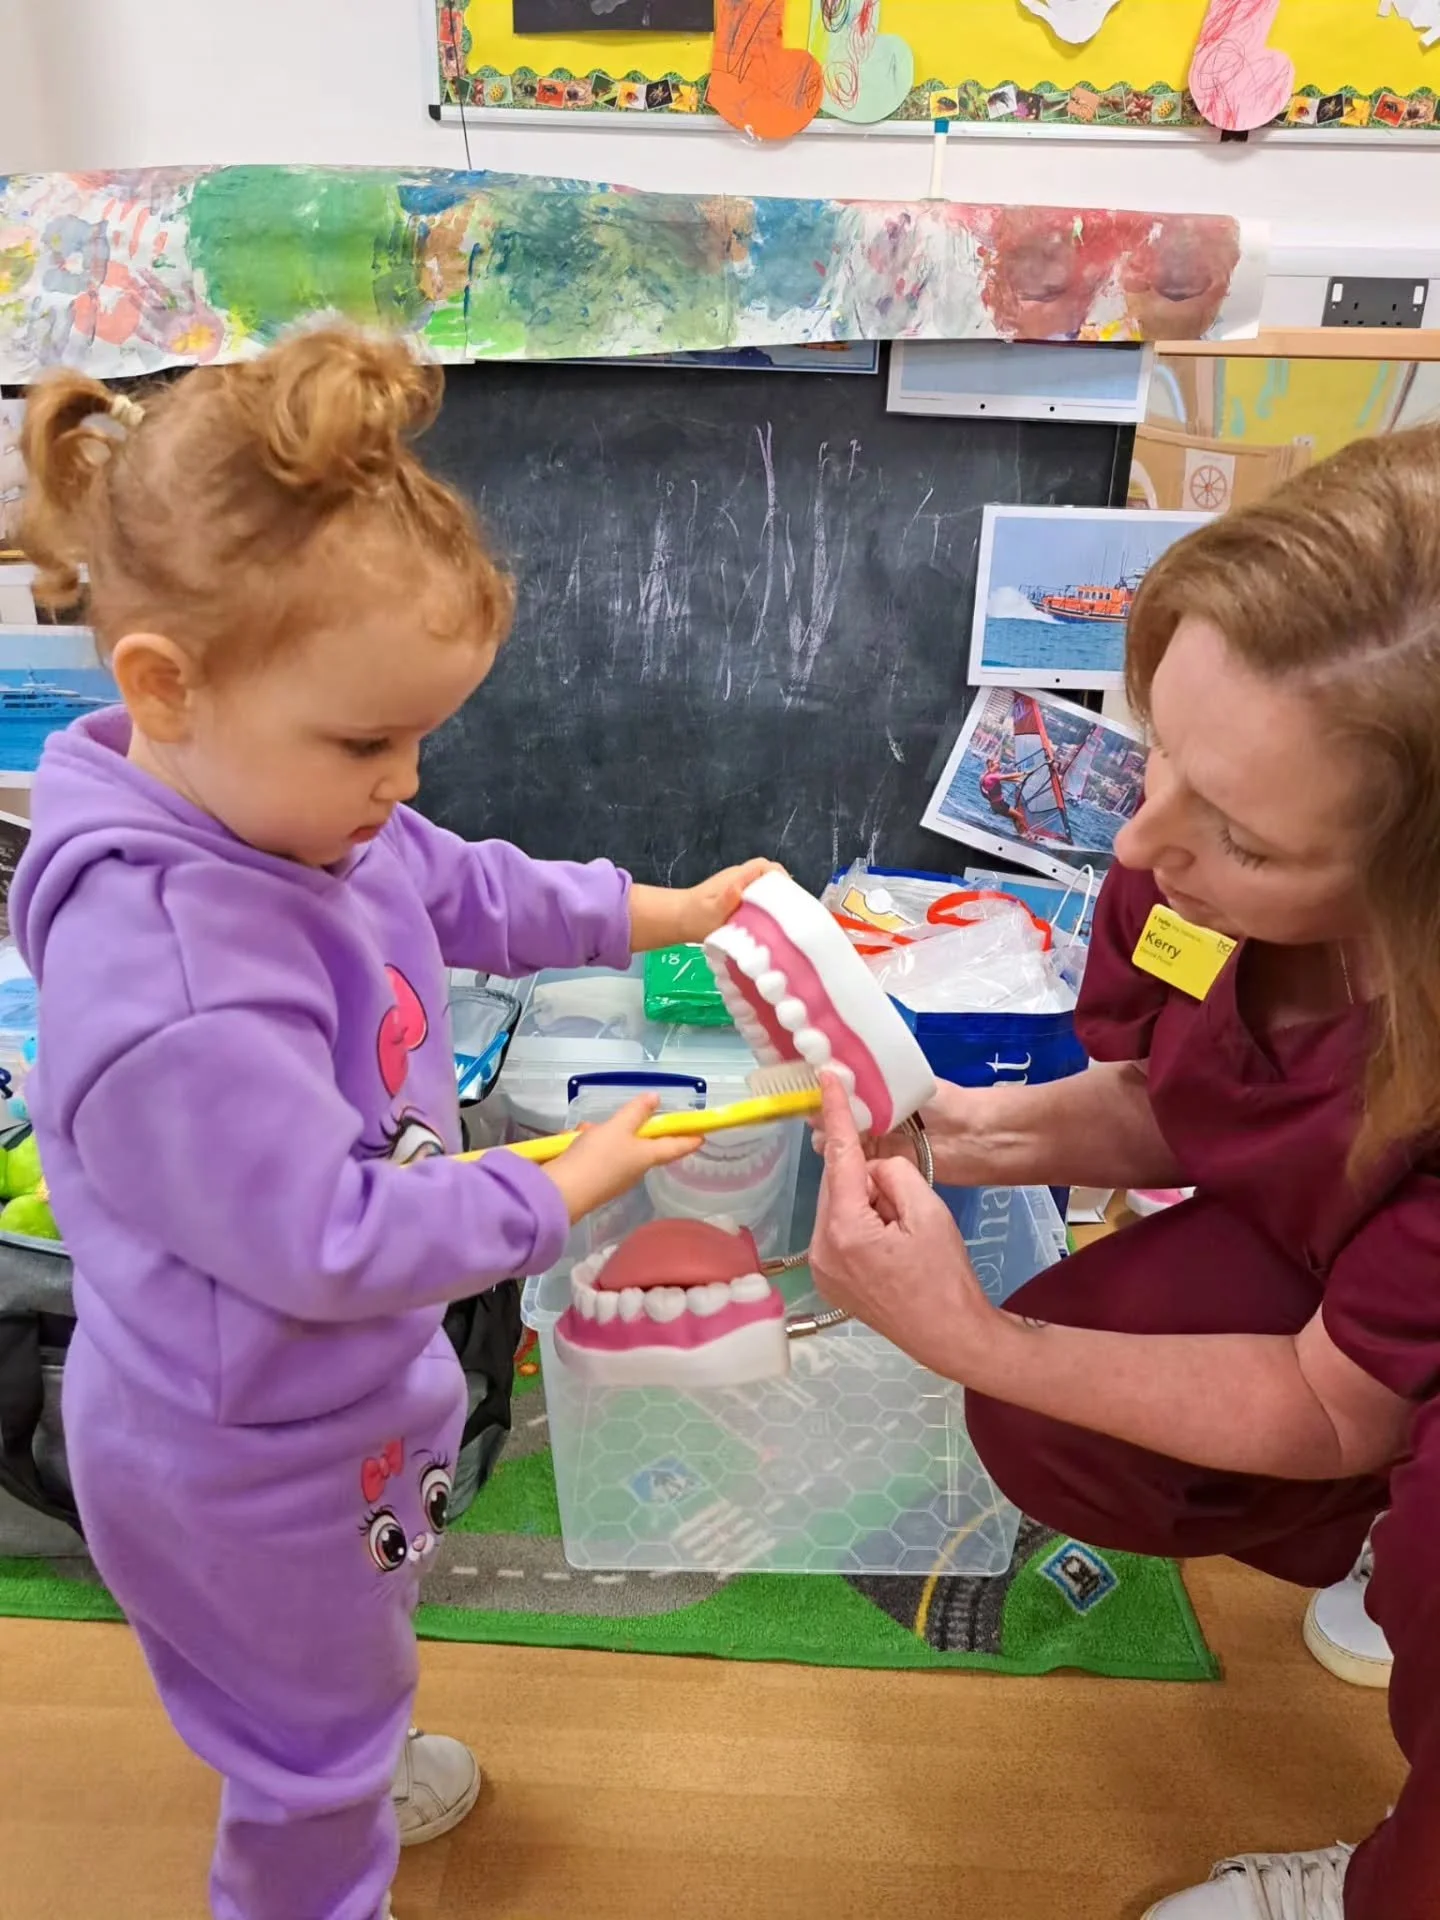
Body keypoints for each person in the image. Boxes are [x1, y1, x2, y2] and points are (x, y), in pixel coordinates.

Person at [11, 328, 774, 1920]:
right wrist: (556, 1186)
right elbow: (327, 1238)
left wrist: (662, 912)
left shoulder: (295, 815)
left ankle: (340, 1729)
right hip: (242, 1453)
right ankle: (315, 1845)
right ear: (166, 684)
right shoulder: (174, 986)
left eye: (421, 735)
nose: (401, 782)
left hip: (325, 1410)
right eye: (369, 743)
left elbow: (466, 879)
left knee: (331, 1674)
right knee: (305, 1763)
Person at [808, 428, 1440, 1920]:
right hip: (1367, 1267)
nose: (1143, 841)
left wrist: (977, 1332)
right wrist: (958, 1126)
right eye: (1162, 743)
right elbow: (1193, 1103)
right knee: (1060, 1433)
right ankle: (1368, 1529)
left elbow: (1320, 1394)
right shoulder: (1186, 873)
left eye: (1239, 834)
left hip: (1373, 1326)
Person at [979, 757, 1031, 838]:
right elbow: (1008, 776)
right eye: (998, 764)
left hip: (996, 804)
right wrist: (1025, 773)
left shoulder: (987, 775)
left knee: (1015, 817)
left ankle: (1021, 834)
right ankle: (1026, 836)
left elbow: (1004, 780)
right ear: (992, 765)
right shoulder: (992, 777)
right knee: (1020, 817)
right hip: (999, 805)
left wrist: (1018, 780)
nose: (1000, 765)